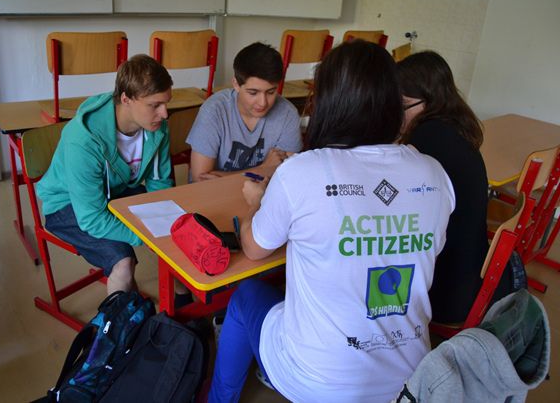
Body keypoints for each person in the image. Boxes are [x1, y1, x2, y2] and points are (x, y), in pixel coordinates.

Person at [207, 41, 455, 403]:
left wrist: (256, 205)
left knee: (246, 294)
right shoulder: (433, 173)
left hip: (318, 380)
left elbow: (253, 248)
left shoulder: (301, 172)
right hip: (412, 379)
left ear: (328, 102)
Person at [37, 54, 189, 299]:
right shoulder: (84, 139)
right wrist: (145, 235)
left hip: (115, 192)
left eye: (166, 103)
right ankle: (122, 319)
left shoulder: (156, 127)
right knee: (123, 262)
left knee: (175, 228)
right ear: (126, 99)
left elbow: (159, 184)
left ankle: (180, 299)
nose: (164, 113)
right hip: (68, 205)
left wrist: (165, 226)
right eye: (154, 105)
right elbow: (91, 218)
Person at [397, 51, 513, 324]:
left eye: (403, 105)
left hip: (447, 292)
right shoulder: (456, 127)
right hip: (472, 278)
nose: (397, 114)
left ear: (429, 100)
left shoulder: (426, 139)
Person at [186, 42, 303, 182]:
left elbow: (287, 176)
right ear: (236, 84)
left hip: (264, 194)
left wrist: (223, 178)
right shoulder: (214, 110)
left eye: (271, 92)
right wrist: (264, 169)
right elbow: (201, 180)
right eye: (253, 93)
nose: (263, 102)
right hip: (214, 194)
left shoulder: (288, 114)